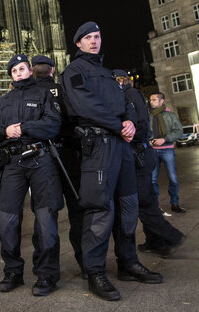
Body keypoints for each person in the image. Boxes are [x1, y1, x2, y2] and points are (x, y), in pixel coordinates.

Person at [60, 22, 162, 301]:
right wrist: (118, 125)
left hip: (121, 146)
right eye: (88, 38)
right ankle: (95, 271)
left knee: (128, 207)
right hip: (100, 147)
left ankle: (128, 262)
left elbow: (125, 102)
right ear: (78, 43)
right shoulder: (74, 71)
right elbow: (83, 106)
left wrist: (128, 121)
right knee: (99, 210)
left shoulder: (107, 73)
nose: (94, 41)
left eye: (97, 36)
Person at [0, 55, 63, 296]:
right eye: (14, 71)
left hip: (40, 159)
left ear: (30, 70)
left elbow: (53, 124)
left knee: (45, 219)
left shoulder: (44, 94)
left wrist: (24, 128)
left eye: (22, 69)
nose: (19, 73)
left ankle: (46, 275)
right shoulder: (4, 101)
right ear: (11, 75)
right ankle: (13, 271)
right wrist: (4, 130)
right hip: (12, 162)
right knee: (7, 219)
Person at [113, 71, 186, 258]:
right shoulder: (130, 95)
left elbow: (141, 127)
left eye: (118, 80)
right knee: (147, 200)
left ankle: (172, 236)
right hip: (141, 153)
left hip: (140, 155)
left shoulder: (130, 95)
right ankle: (155, 242)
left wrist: (124, 132)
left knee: (144, 202)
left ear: (123, 81)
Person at [32, 54, 85, 277]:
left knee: (45, 214)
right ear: (53, 70)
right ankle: (86, 264)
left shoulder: (29, 94)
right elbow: (79, 117)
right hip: (69, 154)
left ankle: (46, 270)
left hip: (42, 158)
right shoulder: (64, 90)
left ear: (33, 72)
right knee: (77, 210)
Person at [148, 92, 185, 213]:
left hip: (167, 149)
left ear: (161, 101)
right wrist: (150, 141)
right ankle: (155, 206)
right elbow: (145, 132)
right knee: (152, 179)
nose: (151, 102)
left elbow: (179, 131)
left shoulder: (170, 115)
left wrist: (164, 139)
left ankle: (175, 203)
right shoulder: (149, 116)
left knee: (173, 178)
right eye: (150, 100)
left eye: (154, 100)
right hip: (153, 151)